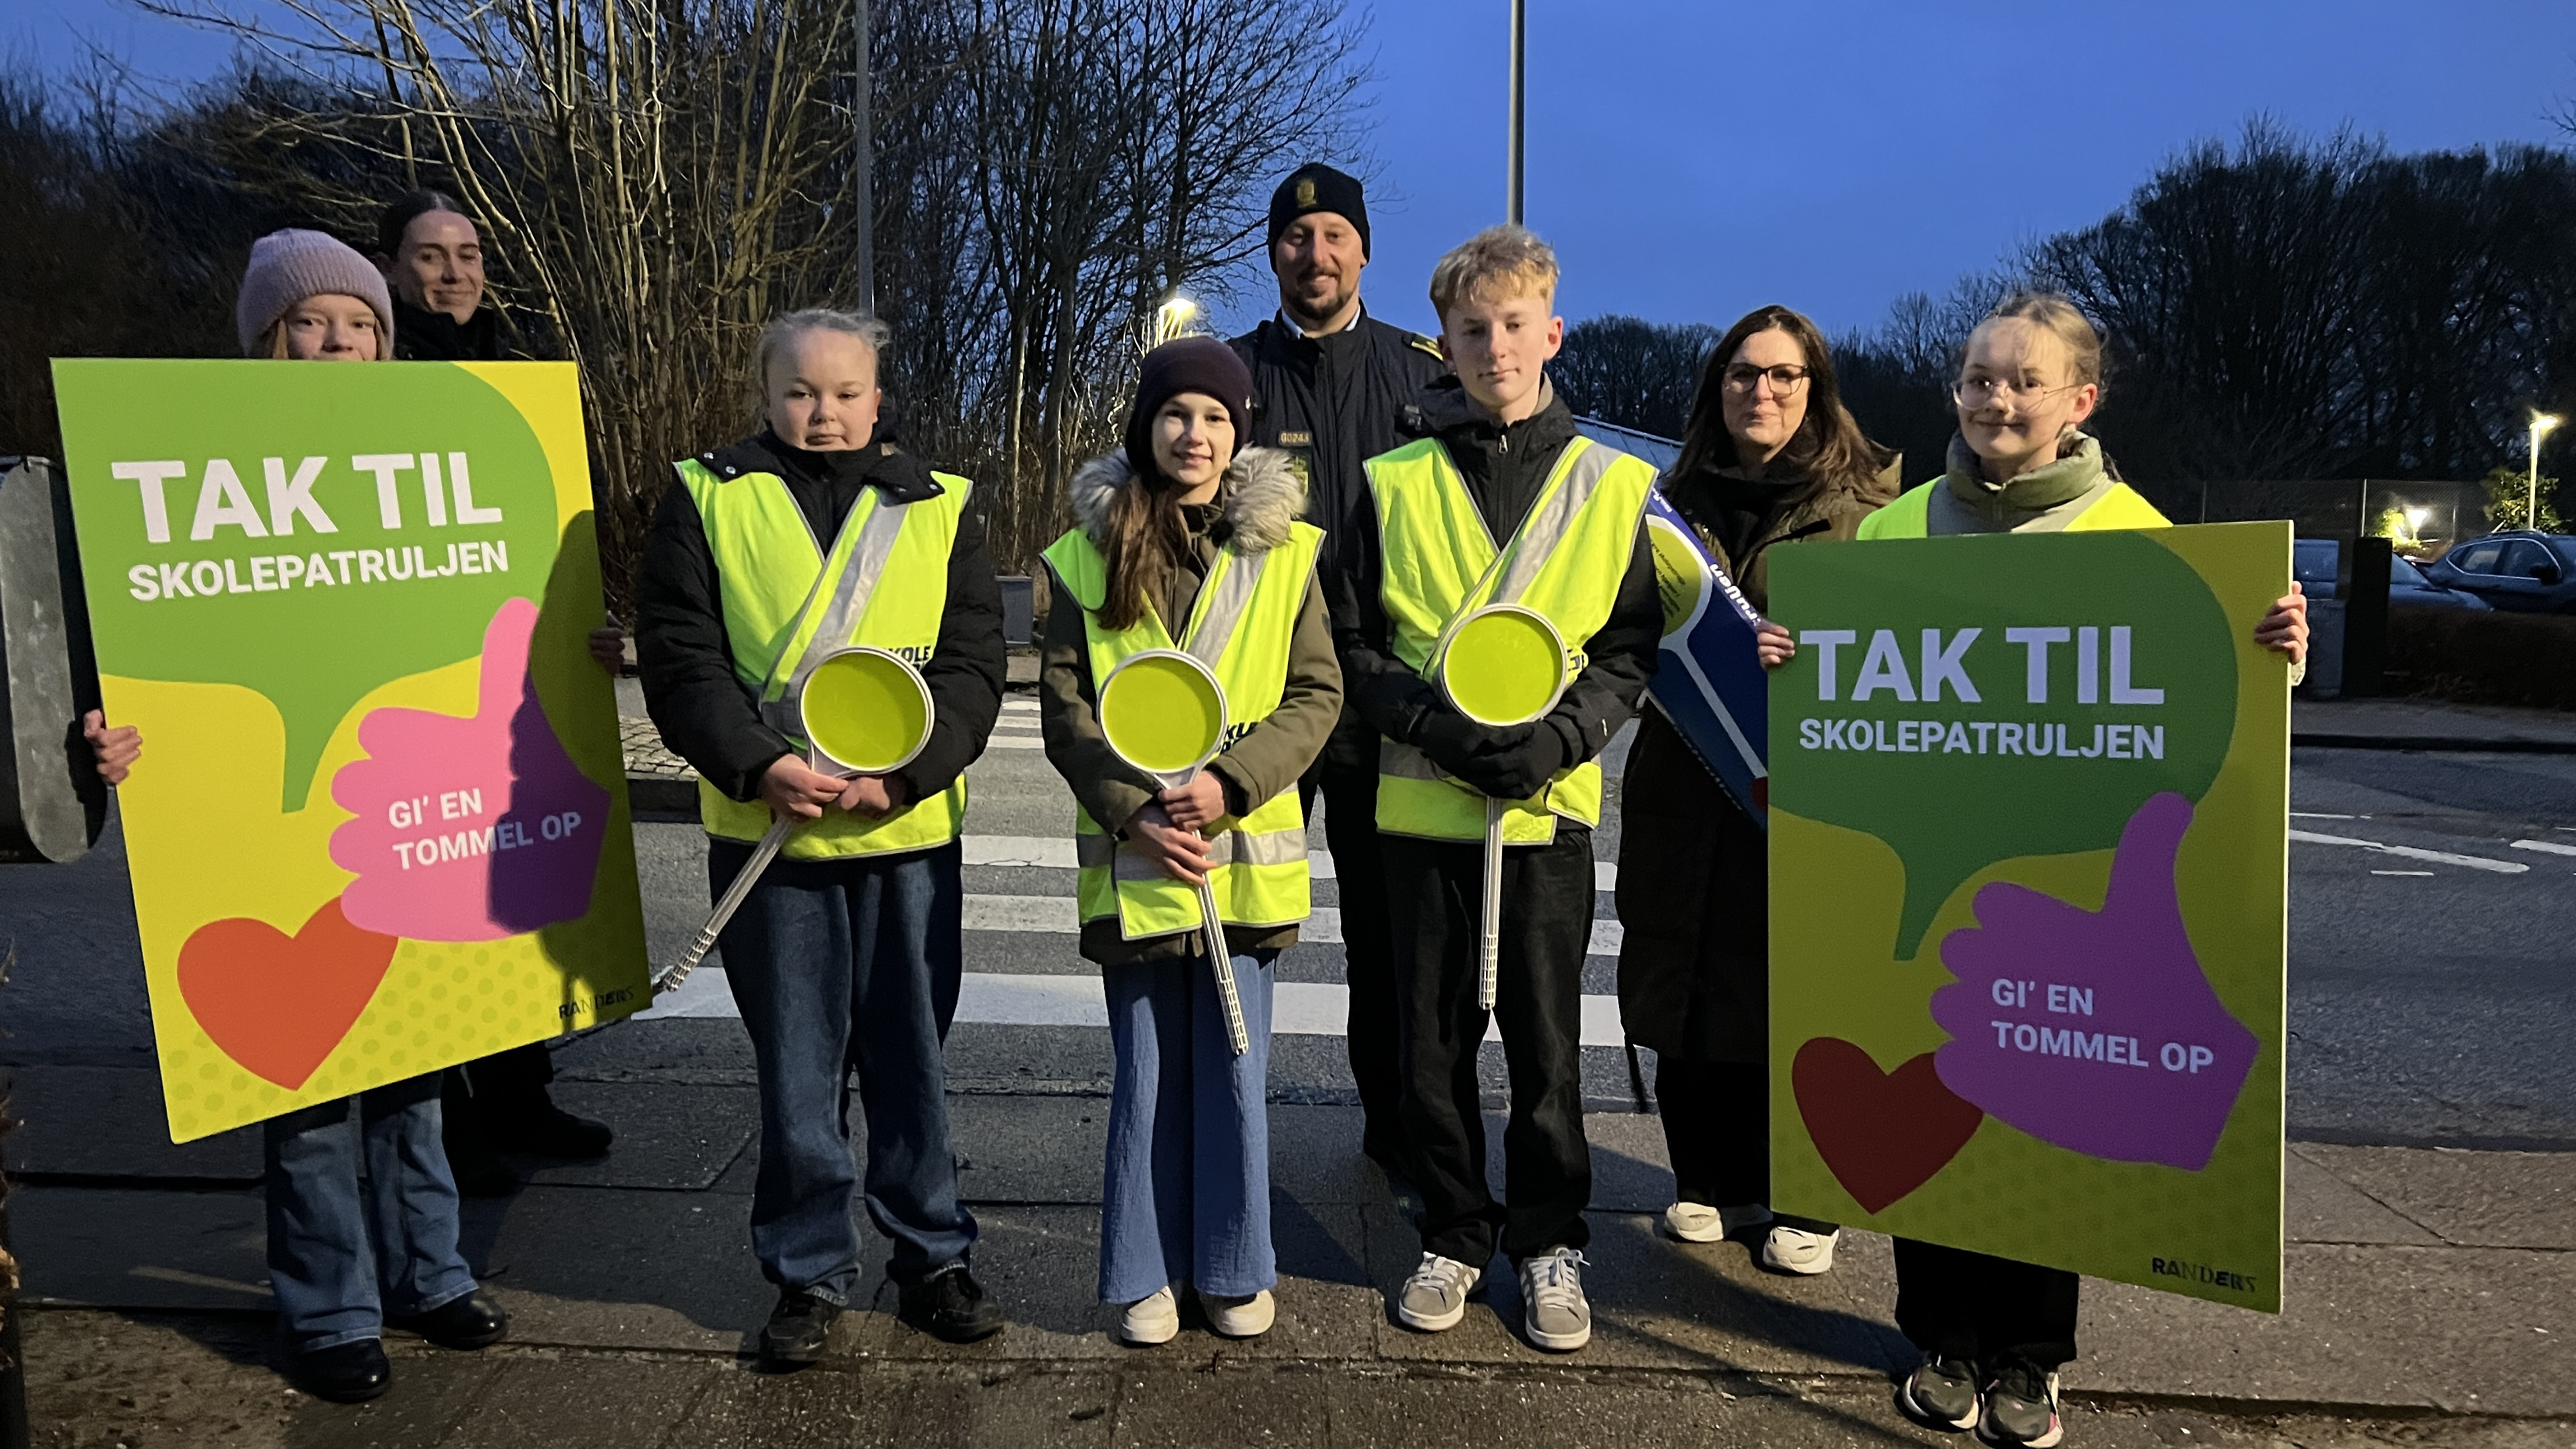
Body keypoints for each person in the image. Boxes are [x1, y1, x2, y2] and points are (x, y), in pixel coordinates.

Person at [1759, 292, 2305, 1448]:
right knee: (1932, 1083)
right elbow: (1851, 683)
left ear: (2079, 402)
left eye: (2020, 380)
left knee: (2044, 1110)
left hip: (2068, 880)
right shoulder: (1898, 528)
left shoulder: (2139, 536)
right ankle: (1941, 1340)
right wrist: (1791, 655)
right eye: (1975, 377)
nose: (1993, 399)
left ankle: (2030, 1359)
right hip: (1925, 876)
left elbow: (2207, 708)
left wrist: (2278, 656)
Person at [84, 228, 509, 1404]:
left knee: (417, 1071)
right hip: (266, 827)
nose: (340, 342)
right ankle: (328, 1309)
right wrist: (109, 735)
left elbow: (486, 602)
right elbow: (143, 632)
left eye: (361, 324)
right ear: (265, 339)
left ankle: (433, 1272)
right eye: (311, 323)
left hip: (395, 807)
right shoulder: (176, 465)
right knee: (310, 1087)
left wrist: (571, 654)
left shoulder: (428, 450)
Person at [634, 307, 1008, 1367]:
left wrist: (910, 775)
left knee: (913, 1063)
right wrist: (760, 765)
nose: (825, 413)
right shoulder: (706, 496)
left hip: (907, 836)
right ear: (765, 393)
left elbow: (975, 667)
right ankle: (807, 1273)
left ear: (879, 399)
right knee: (798, 1072)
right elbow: (679, 656)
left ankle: (931, 1254)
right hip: (772, 838)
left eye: (847, 393)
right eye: (802, 392)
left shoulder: (944, 509)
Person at [1334, 226, 1662, 1353]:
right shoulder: (1391, 480)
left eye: (1514, 325)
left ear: (1552, 333)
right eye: (1472, 330)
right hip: (1421, 809)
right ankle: (1455, 1230)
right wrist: (1428, 725)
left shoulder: (1616, 485)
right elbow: (1351, 643)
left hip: (1546, 810)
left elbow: (1629, 649)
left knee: (1544, 1045)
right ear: (1446, 344)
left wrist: (1564, 742)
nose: (1495, 346)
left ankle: (1548, 1240)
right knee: (1427, 1045)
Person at [1036, 337, 1340, 1346]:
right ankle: (1142, 1271)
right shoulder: (1084, 556)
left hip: (1238, 865)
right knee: (1148, 1074)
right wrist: (1134, 807)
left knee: (1236, 1071)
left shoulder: (1287, 553)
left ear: (1240, 432)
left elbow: (1315, 695)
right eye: (1176, 414)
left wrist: (1231, 786)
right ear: (1145, 427)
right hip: (1136, 867)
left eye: (1215, 417)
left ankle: (1232, 1264)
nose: (1195, 433)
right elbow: (1068, 709)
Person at [1616, 305, 1898, 1277]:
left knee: (1805, 987)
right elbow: (1623, 630)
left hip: (1812, 785)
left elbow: (1923, 640)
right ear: (1716, 389)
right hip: (1686, 779)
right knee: (1689, 979)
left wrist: (1815, 655)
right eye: (1743, 374)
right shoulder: (1665, 499)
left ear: (1816, 389)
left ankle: (1810, 1193)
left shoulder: (1872, 509)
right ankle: (1704, 1177)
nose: (1762, 392)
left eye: (1784, 375)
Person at [373, 188, 622, 1193]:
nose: (454, 271)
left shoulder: (518, 378)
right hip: (408, 660)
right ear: (391, 267)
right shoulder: (374, 378)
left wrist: (586, 632)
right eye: (430, 255)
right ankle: (453, 1124)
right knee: (429, 896)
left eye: (469, 252)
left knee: (509, 891)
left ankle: (522, 1094)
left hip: (509, 665)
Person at [1227, 165, 1448, 1177]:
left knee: (1387, 934)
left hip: (1382, 696)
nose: (1313, 255)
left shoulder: (1424, 374)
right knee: (1242, 915)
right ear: (1270, 251)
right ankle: (1224, 1119)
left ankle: (1395, 1129)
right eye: (1294, 237)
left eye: (1331, 236)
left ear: (1362, 250)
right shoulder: (1227, 379)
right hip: (1263, 696)